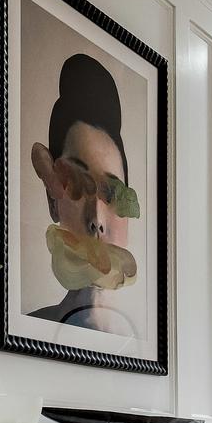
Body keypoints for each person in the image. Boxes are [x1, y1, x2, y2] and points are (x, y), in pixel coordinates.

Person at [27, 53, 141, 334]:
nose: (97, 219)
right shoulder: (34, 328)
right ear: (52, 200)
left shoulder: (141, 342)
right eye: (77, 187)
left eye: (112, 194)